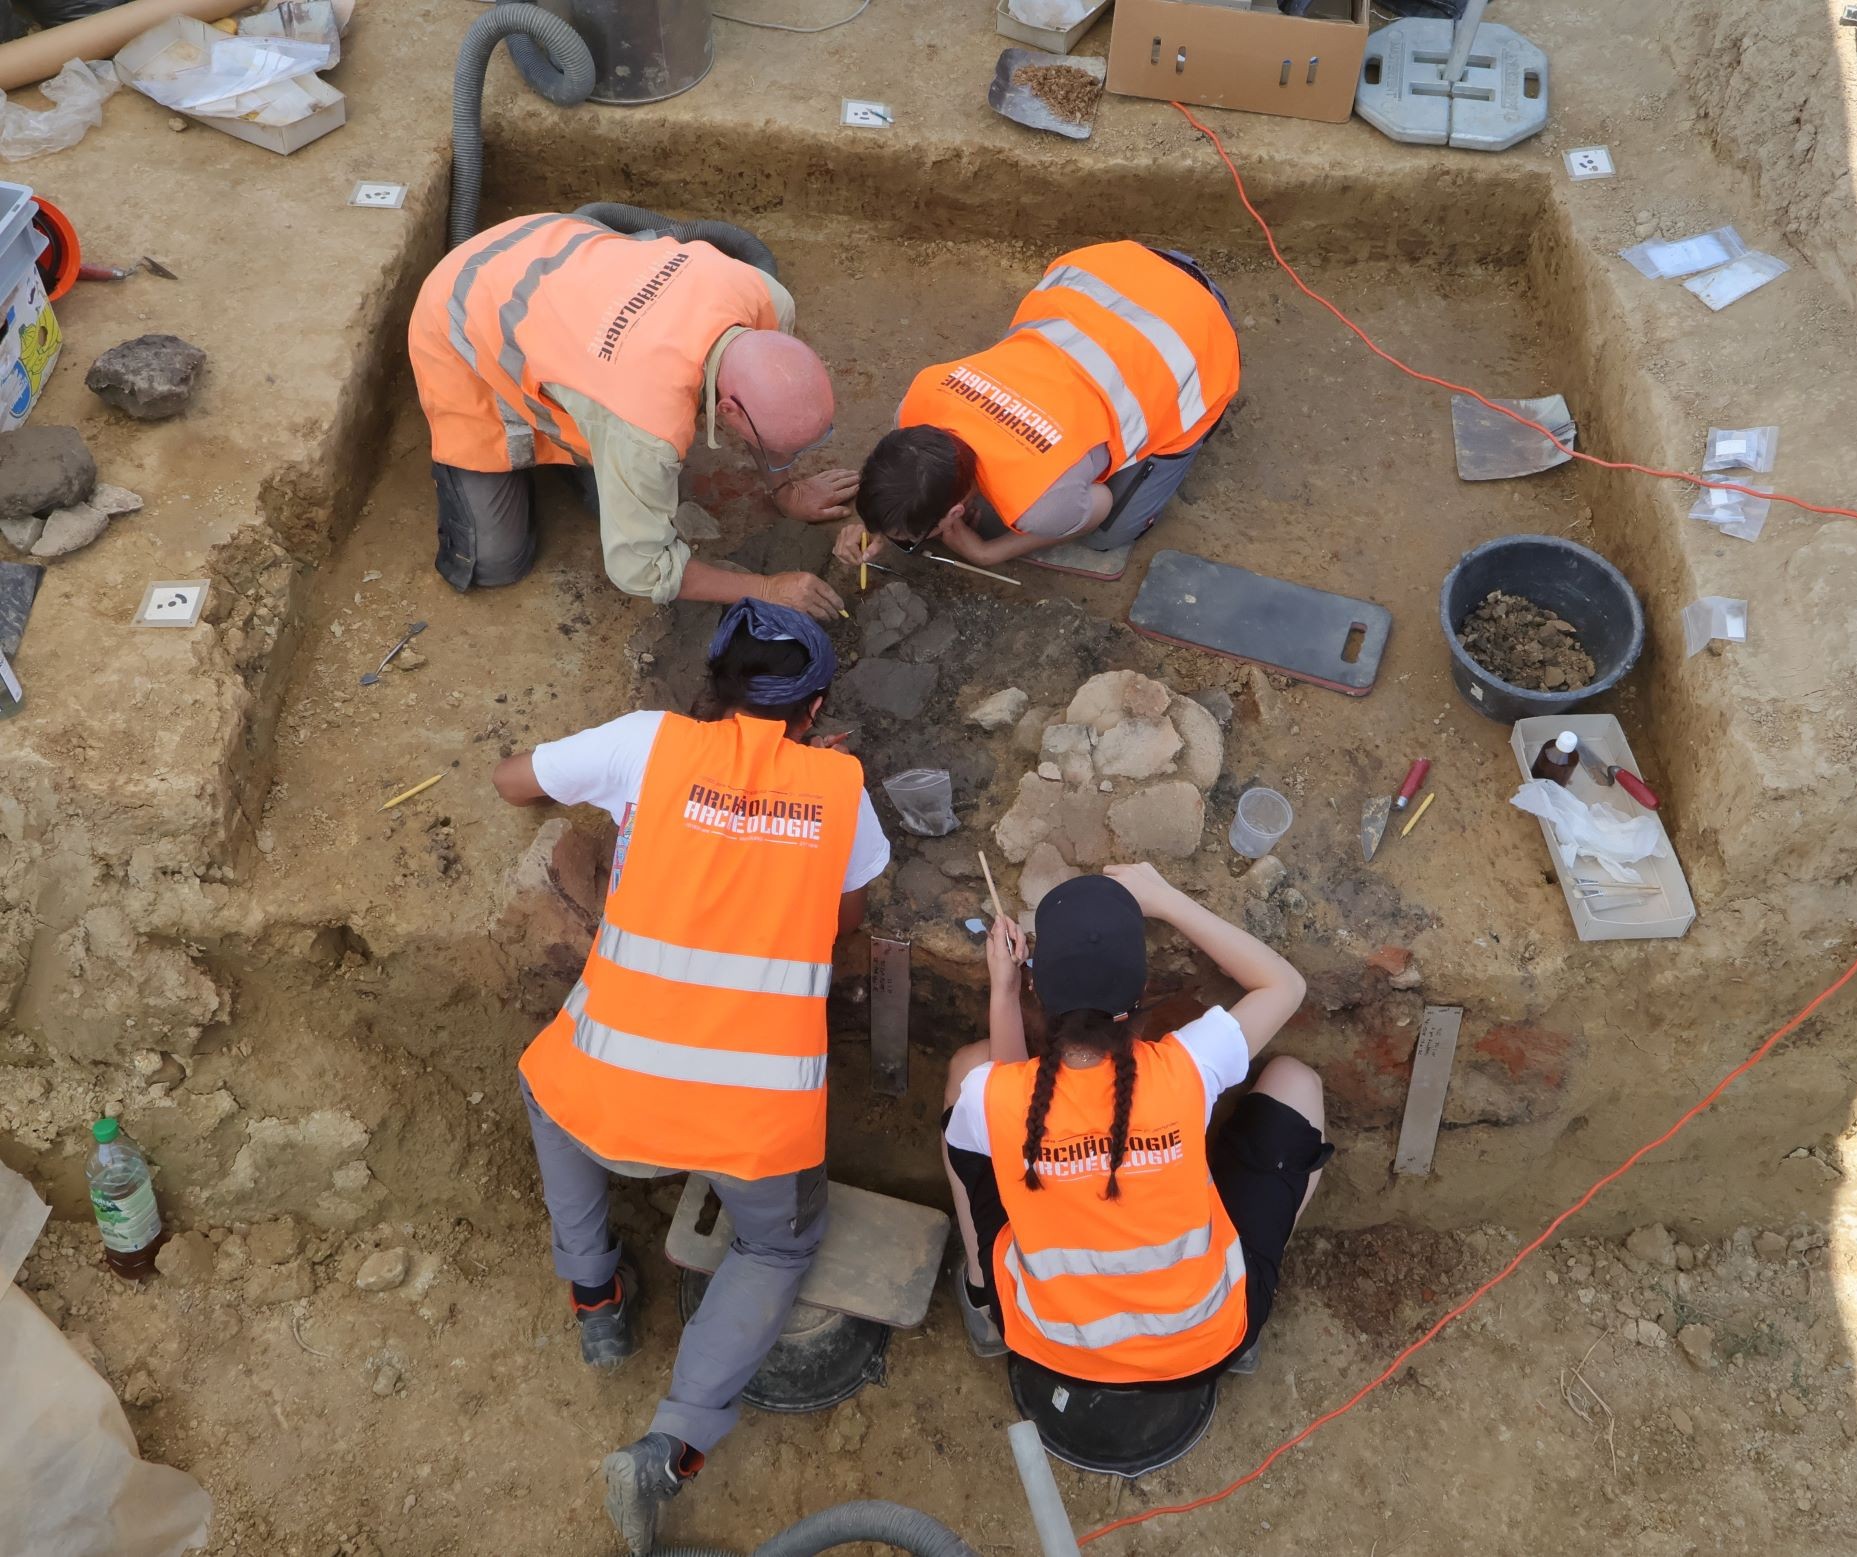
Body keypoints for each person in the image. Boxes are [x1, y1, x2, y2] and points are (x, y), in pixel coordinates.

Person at [491, 598, 889, 1553]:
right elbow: (848, 918)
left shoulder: (649, 743)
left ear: (712, 687)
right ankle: (671, 1443)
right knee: (781, 1248)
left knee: (547, 1085)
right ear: (818, 705)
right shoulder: (841, 785)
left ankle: (596, 1300)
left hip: (604, 1094)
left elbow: (513, 781)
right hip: (749, 1126)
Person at [940, 864, 1326, 1390]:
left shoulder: (997, 1096)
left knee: (969, 1074)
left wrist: (1003, 993)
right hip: (1207, 1341)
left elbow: (1003, 1090)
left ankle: (985, 1291)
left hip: (1050, 1344)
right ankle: (1239, 1330)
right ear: (1144, 988)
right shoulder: (1188, 1065)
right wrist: (1168, 900)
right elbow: (1285, 984)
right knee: (1296, 1082)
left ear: (1036, 984)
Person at [411, 214, 859, 618]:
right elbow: (639, 570)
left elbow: (762, 400)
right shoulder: (646, 425)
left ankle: (572, 428)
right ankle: (485, 467)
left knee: (627, 481)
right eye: (775, 450)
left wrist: (785, 488)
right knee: (497, 562)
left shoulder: (767, 299)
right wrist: (765, 588)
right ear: (727, 410)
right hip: (463, 317)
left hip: (554, 257)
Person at [836, 241, 1240, 570]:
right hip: (1115, 266)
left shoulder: (1039, 504)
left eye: (913, 541)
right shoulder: (915, 405)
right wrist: (874, 524)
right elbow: (902, 476)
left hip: (1196, 332)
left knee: (1109, 532)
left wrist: (987, 553)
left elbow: (1100, 505)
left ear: (957, 513)